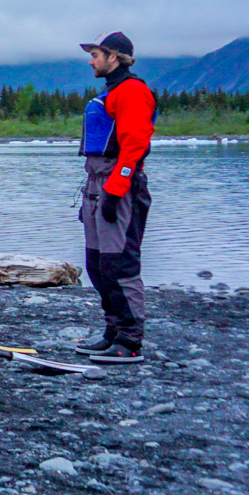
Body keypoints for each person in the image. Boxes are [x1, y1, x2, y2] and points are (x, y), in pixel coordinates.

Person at [75, 31, 155, 363]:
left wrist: (114, 191)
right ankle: (112, 330)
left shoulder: (133, 91)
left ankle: (130, 339)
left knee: (118, 264)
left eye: (96, 54)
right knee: (97, 264)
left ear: (114, 57)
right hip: (96, 183)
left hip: (116, 187)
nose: (91, 60)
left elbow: (134, 146)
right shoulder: (112, 92)